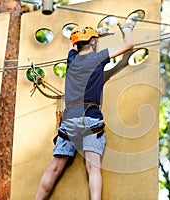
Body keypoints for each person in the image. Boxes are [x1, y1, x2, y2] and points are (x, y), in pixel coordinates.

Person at [35, 22, 134, 200]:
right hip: (90, 118)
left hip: (70, 121)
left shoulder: (72, 59)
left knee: (55, 167)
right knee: (93, 168)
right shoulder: (99, 57)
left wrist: (93, 36)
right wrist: (126, 29)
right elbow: (128, 45)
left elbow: (72, 45)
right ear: (94, 44)